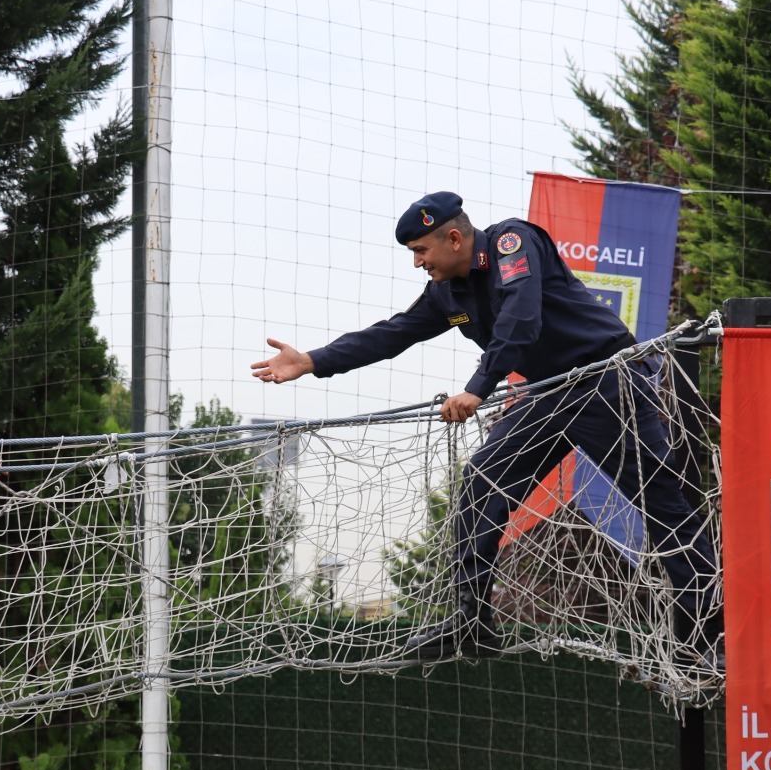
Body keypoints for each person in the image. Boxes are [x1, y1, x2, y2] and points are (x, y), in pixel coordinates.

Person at [251, 191, 720, 661]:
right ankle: (470, 624)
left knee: (662, 507)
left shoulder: (512, 243)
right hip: (553, 392)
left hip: (606, 384)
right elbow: (391, 334)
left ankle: (706, 638)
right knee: (482, 480)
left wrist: (478, 387)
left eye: (421, 251)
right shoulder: (446, 293)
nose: (417, 263)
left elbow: (521, 317)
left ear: (454, 237)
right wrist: (313, 361)